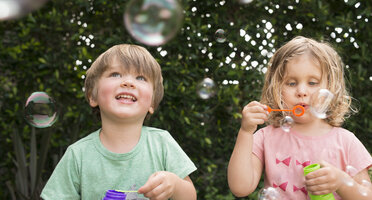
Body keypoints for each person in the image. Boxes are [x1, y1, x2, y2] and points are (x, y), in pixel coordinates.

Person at [41, 44, 197, 200]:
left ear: (152, 103)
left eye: (140, 78)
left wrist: (175, 184)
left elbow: (190, 197)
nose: (128, 82)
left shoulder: (162, 143)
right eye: (115, 74)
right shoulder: (78, 155)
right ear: (92, 96)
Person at [228, 36, 372, 199]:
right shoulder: (265, 137)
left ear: (331, 87)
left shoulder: (347, 142)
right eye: (291, 83)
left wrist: (341, 182)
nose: (302, 91)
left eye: (312, 83)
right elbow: (240, 188)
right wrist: (246, 132)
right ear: (277, 89)